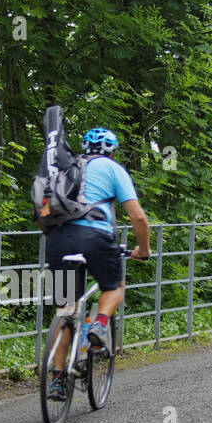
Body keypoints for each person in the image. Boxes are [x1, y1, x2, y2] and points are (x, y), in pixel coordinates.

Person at [43, 126, 150, 400]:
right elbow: (138, 218)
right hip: (95, 236)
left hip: (58, 239)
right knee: (114, 286)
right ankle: (99, 324)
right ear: (112, 151)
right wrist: (144, 250)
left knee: (64, 309)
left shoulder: (67, 166)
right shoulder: (113, 169)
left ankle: (56, 380)